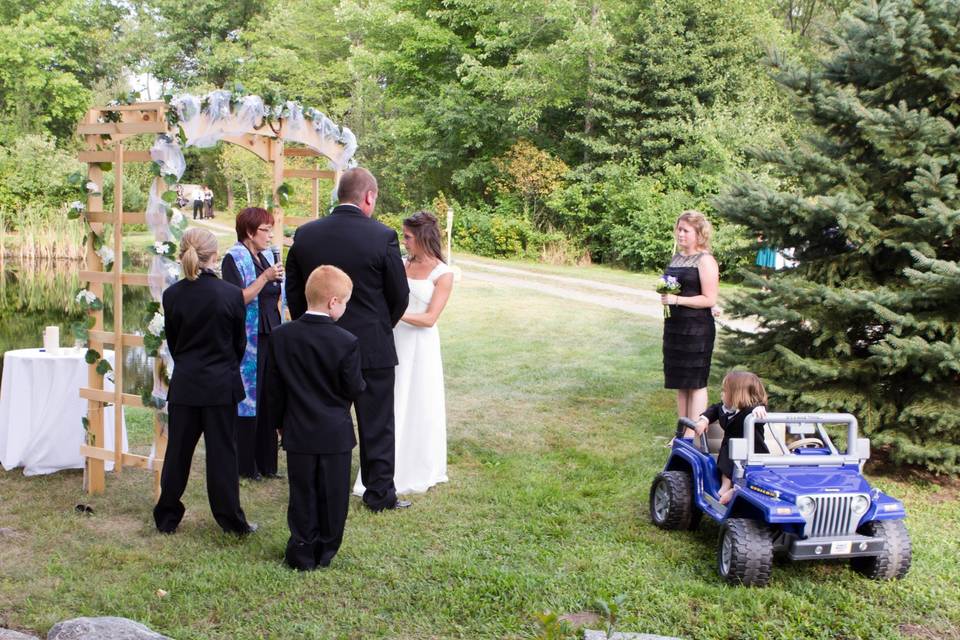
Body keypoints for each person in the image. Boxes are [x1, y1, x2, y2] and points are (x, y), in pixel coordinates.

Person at [285, 167, 410, 512]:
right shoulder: (382, 236)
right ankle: (379, 494)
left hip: (317, 347)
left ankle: (320, 486)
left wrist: (311, 327)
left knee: (320, 416)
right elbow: (399, 295)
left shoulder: (306, 234)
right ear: (369, 197)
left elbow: (294, 292)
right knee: (377, 423)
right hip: (372, 346)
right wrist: (380, 327)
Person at [154, 227, 256, 536]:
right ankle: (231, 521)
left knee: (178, 453)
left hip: (186, 384)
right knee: (223, 455)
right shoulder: (230, 295)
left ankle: (167, 516)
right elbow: (239, 343)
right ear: (214, 255)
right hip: (221, 385)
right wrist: (223, 367)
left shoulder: (172, 295)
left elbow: (174, 343)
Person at [266, 265, 366, 570]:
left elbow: (273, 388)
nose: (346, 308)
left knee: (302, 492)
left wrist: (279, 424)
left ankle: (301, 547)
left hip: (296, 429)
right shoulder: (346, 341)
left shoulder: (281, 336)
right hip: (334, 431)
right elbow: (354, 387)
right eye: (346, 302)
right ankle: (326, 549)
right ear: (334, 302)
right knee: (334, 494)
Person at [352, 211, 453, 497]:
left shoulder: (442, 273)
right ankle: (385, 467)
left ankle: (417, 466)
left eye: (407, 237)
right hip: (391, 339)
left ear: (422, 237)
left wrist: (392, 316)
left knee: (418, 401)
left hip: (420, 346)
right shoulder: (398, 264)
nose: (404, 242)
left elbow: (431, 317)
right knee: (390, 402)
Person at [221, 208, 284, 481]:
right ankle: (246, 465)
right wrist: (264, 279)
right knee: (249, 397)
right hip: (247, 337)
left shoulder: (268, 256)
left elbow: (276, 296)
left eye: (271, 229)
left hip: (271, 332)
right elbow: (237, 299)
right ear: (249, 232)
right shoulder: (233, 259)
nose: (270, 235)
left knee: (270, 396)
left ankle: (268, 463)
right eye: (265, 230)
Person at [660, 210, 719, 421]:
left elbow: (710, 299)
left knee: (695, 383)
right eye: (679, 229)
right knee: (681, 383)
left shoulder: (705, 260)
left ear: (698, 233)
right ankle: (682, 433)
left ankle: (694, 436)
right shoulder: (677, 257)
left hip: (697, 329)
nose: (680, 234)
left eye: (685, 230)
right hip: (675, 328)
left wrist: (678, 300)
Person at [692, 371, 769, 505]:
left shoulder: (752, 410)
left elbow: (760, 412)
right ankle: (726, 487)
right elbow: (714, 410)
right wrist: (704, 420)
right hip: (731, 447)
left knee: (750, 471)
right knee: (727, 461)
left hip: (753, 449)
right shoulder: (725, 408)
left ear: (736, 394)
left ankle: (736, 490)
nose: (721, 394)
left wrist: (760, 409)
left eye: (725, 391)